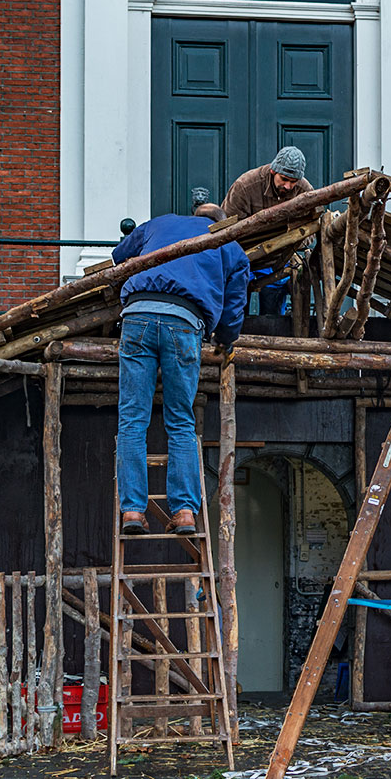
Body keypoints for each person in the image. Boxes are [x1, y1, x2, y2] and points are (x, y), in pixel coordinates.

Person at [112, 202, 249, 535]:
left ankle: (132, 511)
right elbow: (235, 301)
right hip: (184, 322)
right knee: (181, 420)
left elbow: (119, 256)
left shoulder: (160, 222)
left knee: (132, 417)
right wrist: (225, 338)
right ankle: (185, 512)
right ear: (221, 222)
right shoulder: (227, 241)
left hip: (137, 314)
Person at [222, 146, 311, 314]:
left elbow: (309, 231)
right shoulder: (245, 186)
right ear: (272, 171)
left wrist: (292, 242)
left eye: (294, 182)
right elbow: (227, 230)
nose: (289, 186)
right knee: (237, 305)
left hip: (278, 258)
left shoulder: (305, 191)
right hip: (243, 255)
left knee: (273, 310)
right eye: (284, 179)